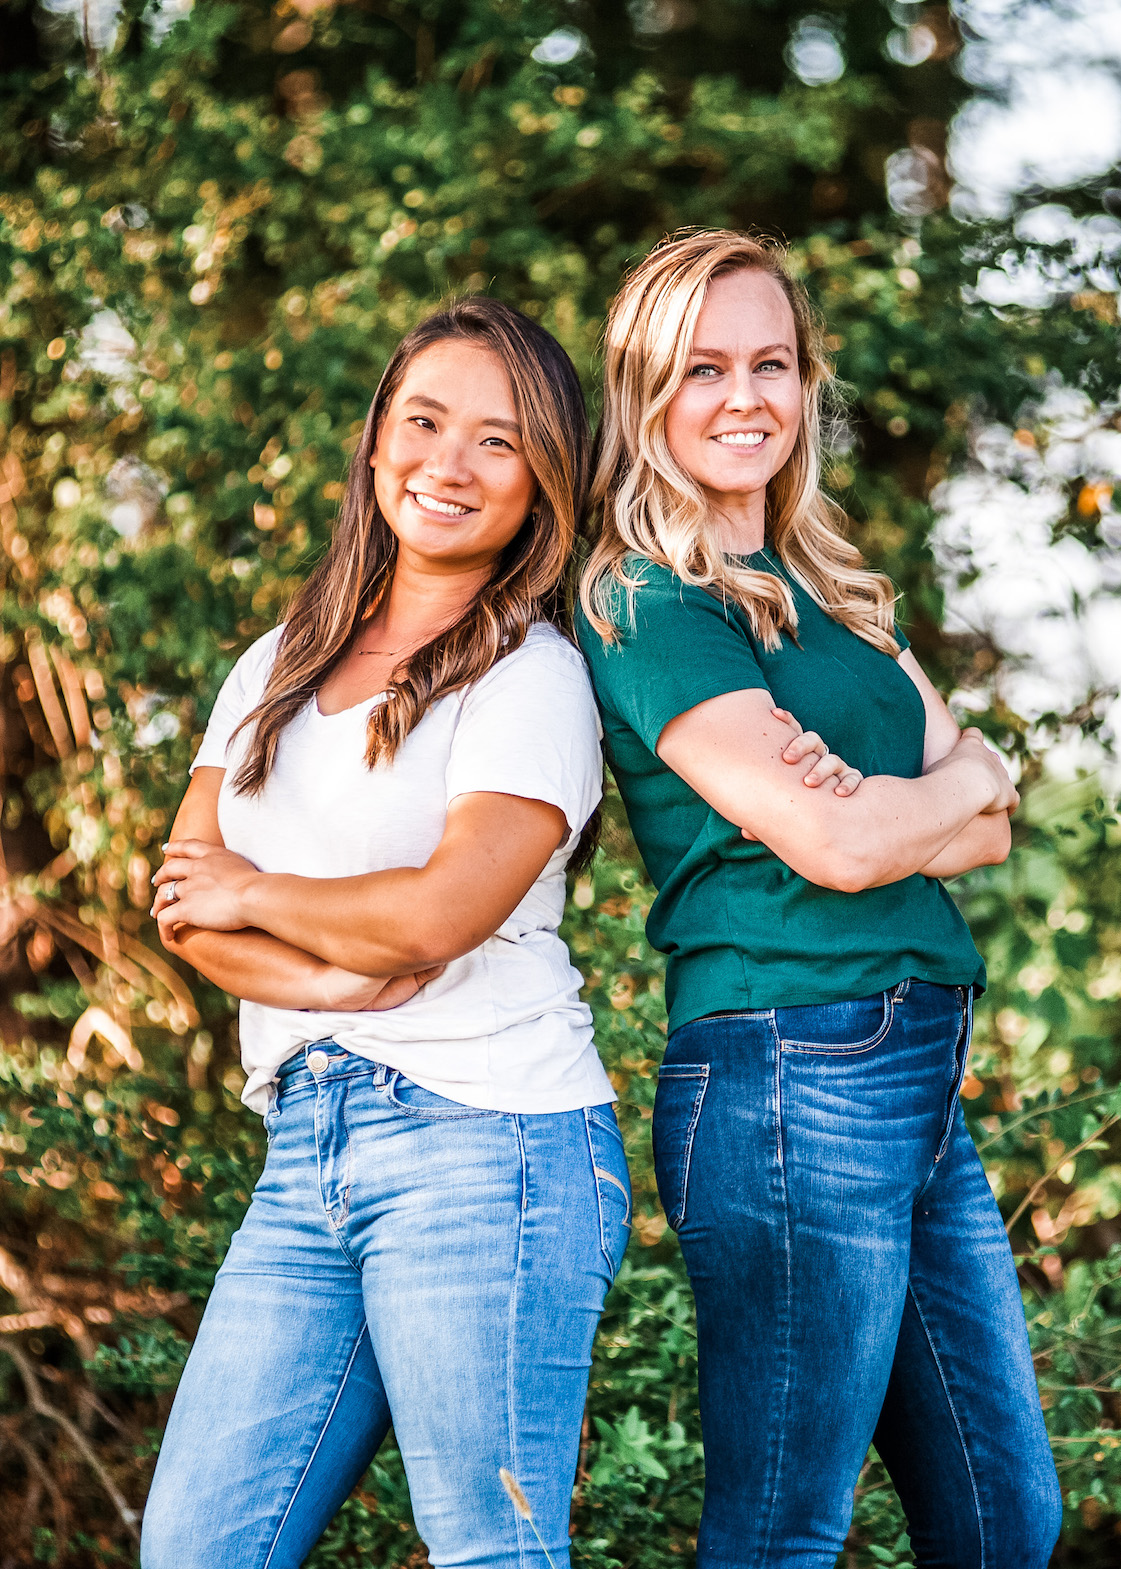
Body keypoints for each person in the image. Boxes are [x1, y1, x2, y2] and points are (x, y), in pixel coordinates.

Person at [574, 230, 1061, 1568]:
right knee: (786, 1529)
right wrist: (938, 787)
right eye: (703, 368)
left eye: (772, 363)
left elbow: (988, 827)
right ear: (646, 394)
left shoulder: (833, 590)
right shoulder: (647, 600)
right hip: (792, 1071)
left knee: (1004, 1516)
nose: (746, 398)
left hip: (914, 1073)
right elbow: (850, 849)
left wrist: (926, 794)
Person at [139, 296, 630, 1569]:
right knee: (198, 1550)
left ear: (545, 487)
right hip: (305, 1147)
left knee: (492, 1554)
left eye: (499, 442)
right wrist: (325, 954)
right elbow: (188, 902)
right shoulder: (278, 664)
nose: (449, 464)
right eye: (425, 422)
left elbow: (439, 913)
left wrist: (264, 897)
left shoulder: (533, 678)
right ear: (375, 445)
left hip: (492, 1147)